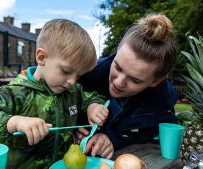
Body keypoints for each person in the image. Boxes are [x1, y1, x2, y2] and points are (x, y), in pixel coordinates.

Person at [0, 19, 109, 169]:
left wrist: (93, 106)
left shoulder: (72, 91)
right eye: (66, 71)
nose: (72, 81)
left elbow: (91, 97)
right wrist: (14, 122)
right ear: (41, 57)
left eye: (78, 75)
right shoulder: (13, 93)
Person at [75, 13, 178, 159]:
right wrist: (73, 125)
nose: (118, 83)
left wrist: (112, 138)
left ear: (155, 81)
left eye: (135, 80)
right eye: (117, 67)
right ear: (117, 51)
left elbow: (150, 133)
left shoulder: (164, 101)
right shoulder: (86, 72)